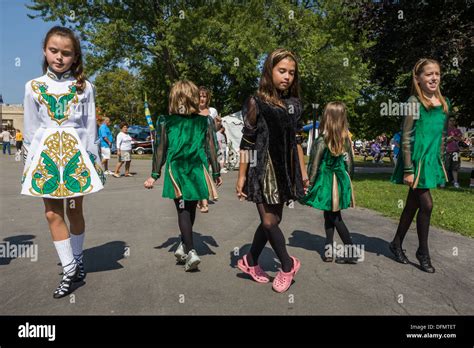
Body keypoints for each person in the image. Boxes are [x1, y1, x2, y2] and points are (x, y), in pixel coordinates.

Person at [21, 26, 105, 298]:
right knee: (51, 213)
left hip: (76, 155)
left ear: (75, 56)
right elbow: (31, 129)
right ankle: (70, 269)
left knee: (75, 211)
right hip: (45, 156)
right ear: (44, 50)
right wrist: (29, 164)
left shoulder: (85, 86)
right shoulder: (33, 86)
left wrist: (96, 160)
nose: (59, 57)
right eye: (53, 50)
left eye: (66, 53)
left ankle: (78, 260)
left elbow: (90, 126)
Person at [235, 48, 307, 293]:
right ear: (269, 71)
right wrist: (242, 175)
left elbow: (297, 141)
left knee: (273, 221)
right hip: (262, 169)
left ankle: (250, 260)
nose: (287, 76)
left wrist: (303, 173)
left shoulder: (295, 105)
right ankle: (288, 265)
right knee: (268, 221)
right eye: (282, 71)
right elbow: (247, 141)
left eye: (292, 73)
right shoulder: (256, 102)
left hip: (286, 170)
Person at [144, 80, 222, 271]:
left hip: (177, 170)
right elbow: (212, 147)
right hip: (197, 169)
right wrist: (216, 171)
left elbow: (160, 149)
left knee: (183, 211)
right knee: (190, 209)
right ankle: (183, 245)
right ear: (194, 98)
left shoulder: (166, 120)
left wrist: (154, 174)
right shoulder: (205, 121)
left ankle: (191, 250)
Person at [390, 58, 451, 273]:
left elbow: (442, 136)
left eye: (437, 74)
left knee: (412, 205)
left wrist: (440, 160)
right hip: (415, 163)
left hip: (431, 162)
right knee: (427, 205)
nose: (434, 77)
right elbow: (406, 137)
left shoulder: (444, 104)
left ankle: (396, 243)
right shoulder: (414, 103)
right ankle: (423, 252)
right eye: (428, 74)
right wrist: (408, 169)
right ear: (418, 78)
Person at [300, 102, 358, 264]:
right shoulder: (346, 139)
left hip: (326, 183)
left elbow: (314, 165)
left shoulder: (322, 140)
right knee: (330, 214)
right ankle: (328, 249)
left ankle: (351, 251)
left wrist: (309, 184)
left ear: (327, 117)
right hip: (340, 180)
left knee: (335, 217)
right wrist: (348, 183)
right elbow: (350, 164)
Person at [197, 86, 219, 213]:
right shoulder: (192, 112)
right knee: (200, 172)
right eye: (200, 96)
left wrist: (219, 123)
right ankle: (203, 200)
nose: (202, 98)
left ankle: (203, 200)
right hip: (196, 147)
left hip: (209, 146)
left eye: (204, 96)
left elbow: (214, 130)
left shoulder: (212, 111)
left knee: (205, 172)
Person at [445, 116, 463, 188]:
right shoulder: (445, 130)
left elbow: (460, 139)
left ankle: (455, 182)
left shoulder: (457, 130)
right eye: (450, 120)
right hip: (446, 151)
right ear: (448, 121)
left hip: (455, 151)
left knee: (455, 168)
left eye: (453, 120)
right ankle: (443, 181)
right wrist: (452, 138)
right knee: (445, 167)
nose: (452, 122)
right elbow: (443, 140)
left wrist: (452, 137)